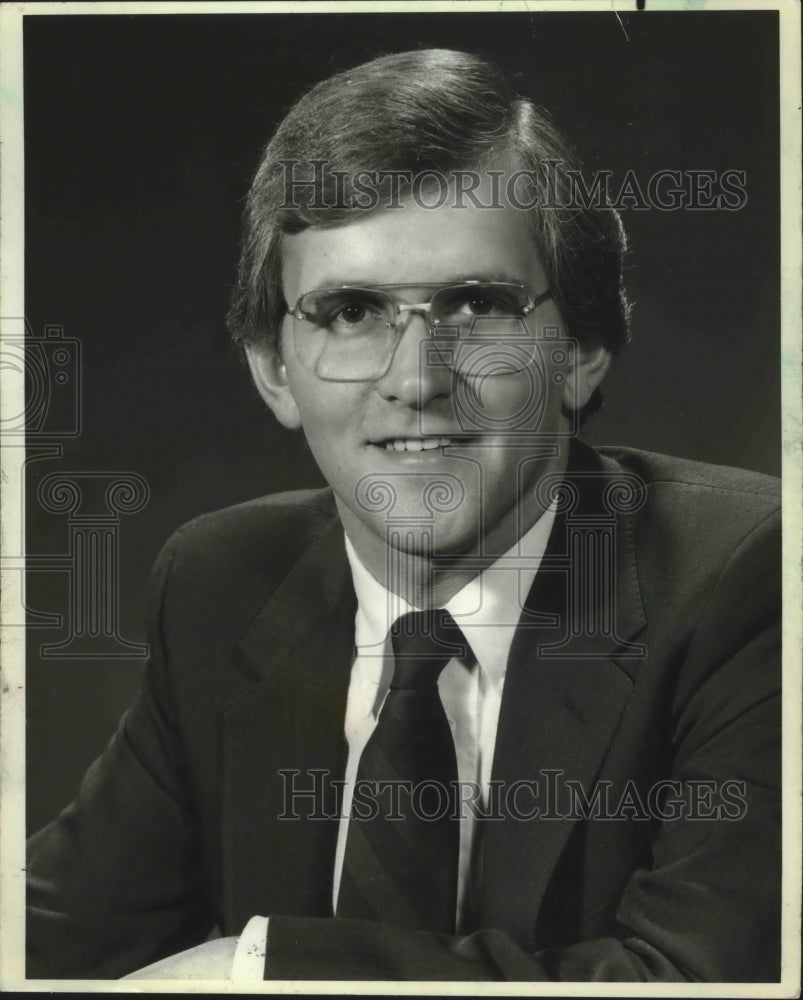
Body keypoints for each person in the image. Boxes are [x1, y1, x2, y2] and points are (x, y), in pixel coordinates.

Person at [26, 48, 781, 983]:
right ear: (273, 368)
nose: (416, 380)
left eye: (475, 303)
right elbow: (54, 940)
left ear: (582, 350)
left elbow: (696, 983)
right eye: (350, 311)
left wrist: (257, 971)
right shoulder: (222, 579)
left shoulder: (748, 580)